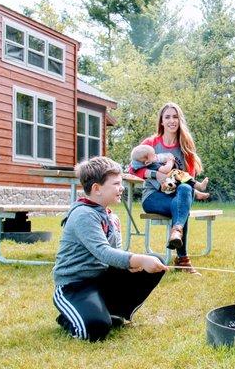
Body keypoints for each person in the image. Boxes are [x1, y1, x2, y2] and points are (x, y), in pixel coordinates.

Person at [52, 156, 168, 341]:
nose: (121, 187)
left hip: (102, 279)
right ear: (97, 189)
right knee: (95, 331)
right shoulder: (83, 215)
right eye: (115, 183)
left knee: (156, 262)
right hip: (75, 286)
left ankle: (114, 312)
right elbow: (103, 252)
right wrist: (139, 259)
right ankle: (71, 317)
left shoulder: (111, 217)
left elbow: (116, 255)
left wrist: (132, 265)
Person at [130, 102, 204, 275]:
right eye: (167, 117)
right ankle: (183, 260)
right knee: (180, 209)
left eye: (175, 116)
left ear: (180, 120)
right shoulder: (151, 143)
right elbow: (132, 169)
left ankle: (176, 231)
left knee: (185, 191)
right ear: (161, 121)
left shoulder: (185, 146)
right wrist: (156, 175)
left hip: (176, 194)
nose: (172, 120)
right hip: (153, 197)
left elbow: (188, 178)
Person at [130, 144, 209, 199]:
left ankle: (196, 191)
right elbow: (165, 170)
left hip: (165, 184)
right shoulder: (152, 165)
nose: (156, 156)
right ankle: (198, 186)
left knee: (181, 182)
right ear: (147, 162)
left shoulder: (146, 162)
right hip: (166, 184)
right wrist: (170, 161)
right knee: (179, 174)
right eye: (154, 155)